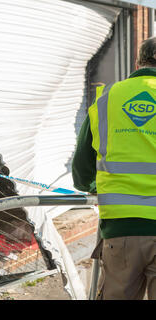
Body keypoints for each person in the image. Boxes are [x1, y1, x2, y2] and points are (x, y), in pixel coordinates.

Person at [72, 37, 156, 300]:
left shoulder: (107, 99)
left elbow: (81, 170)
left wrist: (95, 186)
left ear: (138, 61)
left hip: (122, 230)